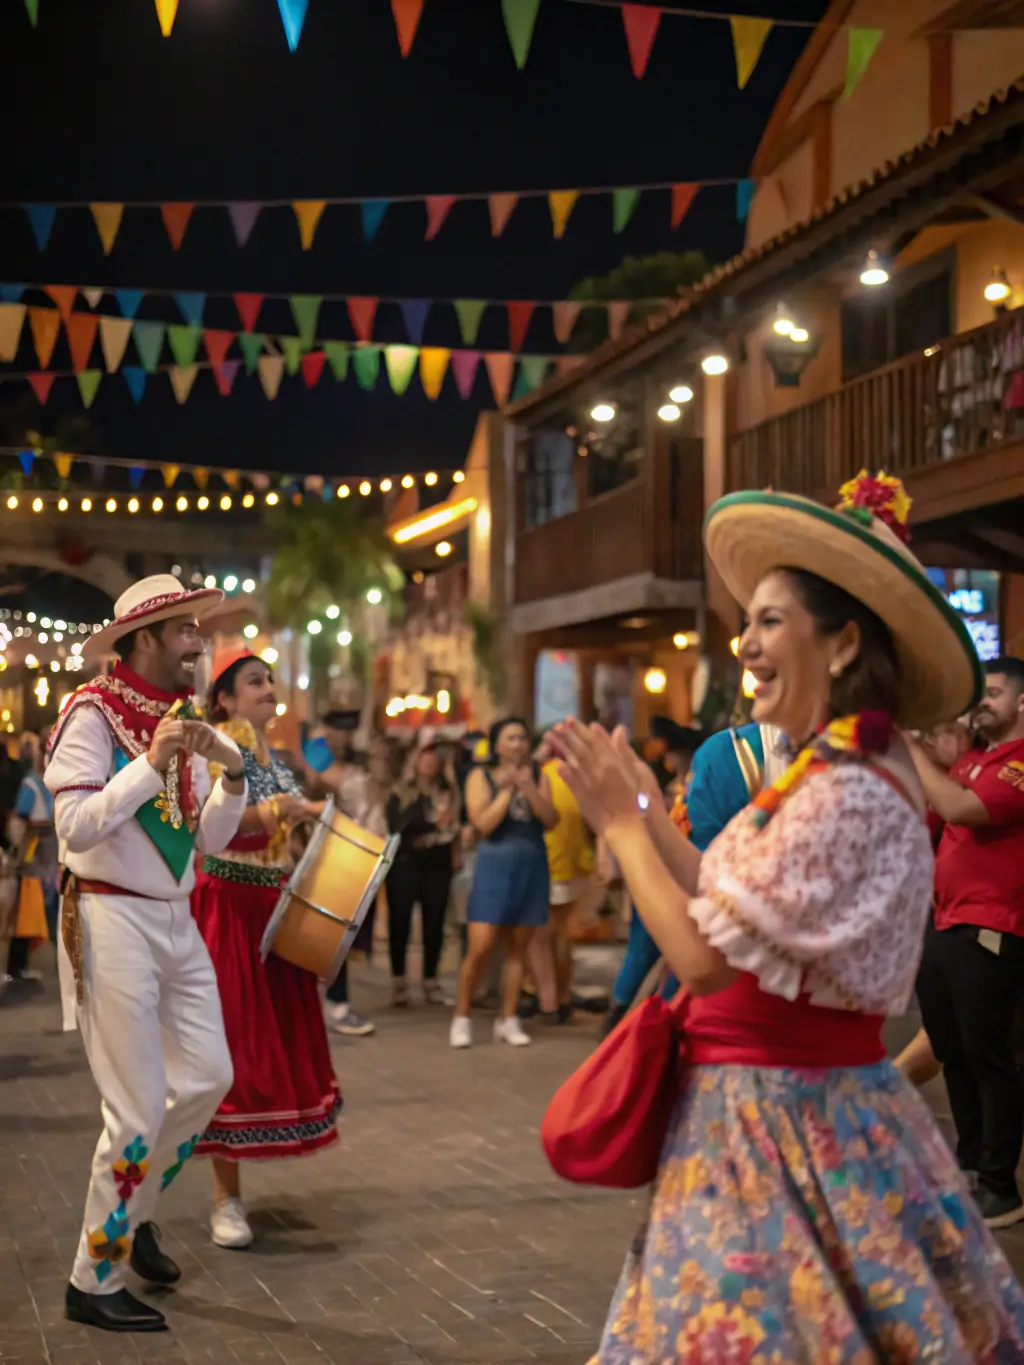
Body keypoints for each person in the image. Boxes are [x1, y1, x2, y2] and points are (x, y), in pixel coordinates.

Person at [554, 474, 1024, 1359]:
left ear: (843, 643)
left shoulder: (850, 785)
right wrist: (646, 807)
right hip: (767, 1109)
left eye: (770, 621)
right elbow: (723, 890)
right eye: (749, 622)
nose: (747, 644)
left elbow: (703, 960)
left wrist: (619, 825)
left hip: (787, 1116)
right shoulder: (829, 767)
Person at [44, 574, 246, 1334]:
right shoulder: (91, 711)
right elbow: (75, 826)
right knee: (134, 1109)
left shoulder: (182, 717)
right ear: (146, 639)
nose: (199, 641)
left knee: (211, 1075)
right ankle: (93, 1278)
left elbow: (209, 838)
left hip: (175, 917)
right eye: (185, 628)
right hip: (109, 915)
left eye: (197, 627)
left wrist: (231, 775)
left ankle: (136, 1212)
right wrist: (150, 764)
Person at [191, 649, 341, 1250]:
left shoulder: (272, 755)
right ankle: (223, 1197)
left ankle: (229, 1193)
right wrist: (287, 809)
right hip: (228, 907)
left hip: (270, 905)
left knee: (264, 1044)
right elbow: (216, 824)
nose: (269, 688)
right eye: (254, 681)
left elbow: (283, 824)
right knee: (231, 1051)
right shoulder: (216, 748)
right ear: (224, 697)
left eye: (271, 679)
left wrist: (308, 821)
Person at [910, 655, 1024, 1227]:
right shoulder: (975, 759)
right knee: (952, 1050)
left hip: (991, 926)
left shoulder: (1019, 764)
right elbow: (933, 817)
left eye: (994, 693)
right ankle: (971, 1165)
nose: (982, 703)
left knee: (988, 1057)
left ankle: (1003, 1187)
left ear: (1022, 703)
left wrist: (910, 749)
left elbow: (961, 809)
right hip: (946, 921)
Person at [601, 720, 782, 1037]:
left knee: (658, 955)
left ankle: (631, 1022)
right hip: (678, 879)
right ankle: (621, 1018)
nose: (667, 761)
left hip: (740, 997)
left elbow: (702, 966)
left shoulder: (730, 757)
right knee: (645, 949)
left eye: (669, 754)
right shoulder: (727, 758)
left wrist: (627, 827)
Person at [450, 717, 558, 1049]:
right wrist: (509, 788)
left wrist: (528, 788)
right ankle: (462, 1016)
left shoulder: (538, 774)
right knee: (481, 945)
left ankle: (508, 1018)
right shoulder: (479, 776)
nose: (518, 744)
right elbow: (482, 823)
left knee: (519, 946)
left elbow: (551, 819)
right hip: (494, 865)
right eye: (510, 738)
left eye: (522, 737)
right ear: (496, 745)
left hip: (532, 864)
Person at [310, 710, 383, 1037]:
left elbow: (374, 811)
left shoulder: (359, 770)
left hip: (358, 854)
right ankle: (332, 1005)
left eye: (344, 732)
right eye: (333, 731)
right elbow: (310, 786)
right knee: (326, 934)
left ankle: (335, 1003)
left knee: (343, 935)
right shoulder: (315, 765)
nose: (339, 737)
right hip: (323, 855)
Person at [522, 730, 594, 1024]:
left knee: (540, 936)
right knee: (563, 936)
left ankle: (548, 1000)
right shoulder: (578, 775)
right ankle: (561, 997)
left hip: (550, 862)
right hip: (573, 864)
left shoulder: (546, 774)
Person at [385, 735, 458, 1006]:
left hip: (437, 863)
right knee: (400, 922)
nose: (429, 761)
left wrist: (455, 851)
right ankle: (399, 982)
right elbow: (396, 825)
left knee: (434, 923)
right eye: (424, 756)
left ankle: (431, 981)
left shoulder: (447, 791)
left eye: (433, 757)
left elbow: (455, 824)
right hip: (406, 863)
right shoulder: (402, 791)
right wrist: (432, 824)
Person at [5, 732, 58, 981]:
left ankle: (21, 965)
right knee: (26, 912)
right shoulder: (31, 784)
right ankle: (17, 966)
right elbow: (20, 818)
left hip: (46, 856)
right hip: (32, 857)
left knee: (37, 910)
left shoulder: (47, 785)